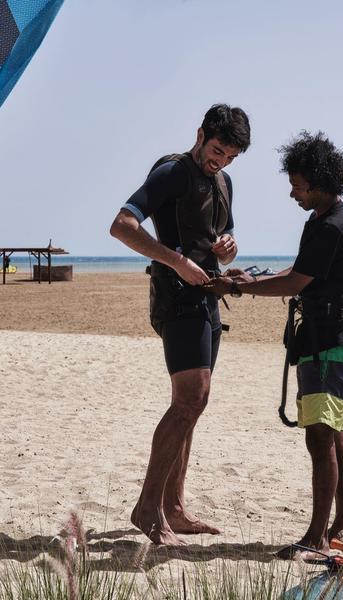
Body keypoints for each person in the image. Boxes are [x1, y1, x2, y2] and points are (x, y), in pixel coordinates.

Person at [208, 131, 343, 559]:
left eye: (297, 185)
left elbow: (296, 282)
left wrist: (242, 288)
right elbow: (301, 271)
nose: (292, 193)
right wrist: (252, 278)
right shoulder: (322, 221)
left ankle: (317, 535)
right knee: (334, 436)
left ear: (317, 181)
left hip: (331, 346)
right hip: (326, 344)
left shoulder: (332, 227)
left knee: (321, 439)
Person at [109, 104, 251, 545]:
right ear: (200, 134)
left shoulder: (224, 182)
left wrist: (227, 250)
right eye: (216, 150)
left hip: (210, 299)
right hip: (176, 298)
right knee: (190, 399)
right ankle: (148, 508)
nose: (220, 161)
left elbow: (219, 245)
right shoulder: (172, 172)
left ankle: (174, 507)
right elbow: (122, 226)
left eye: (229, 156)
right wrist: (176, 261)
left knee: (194, 402)